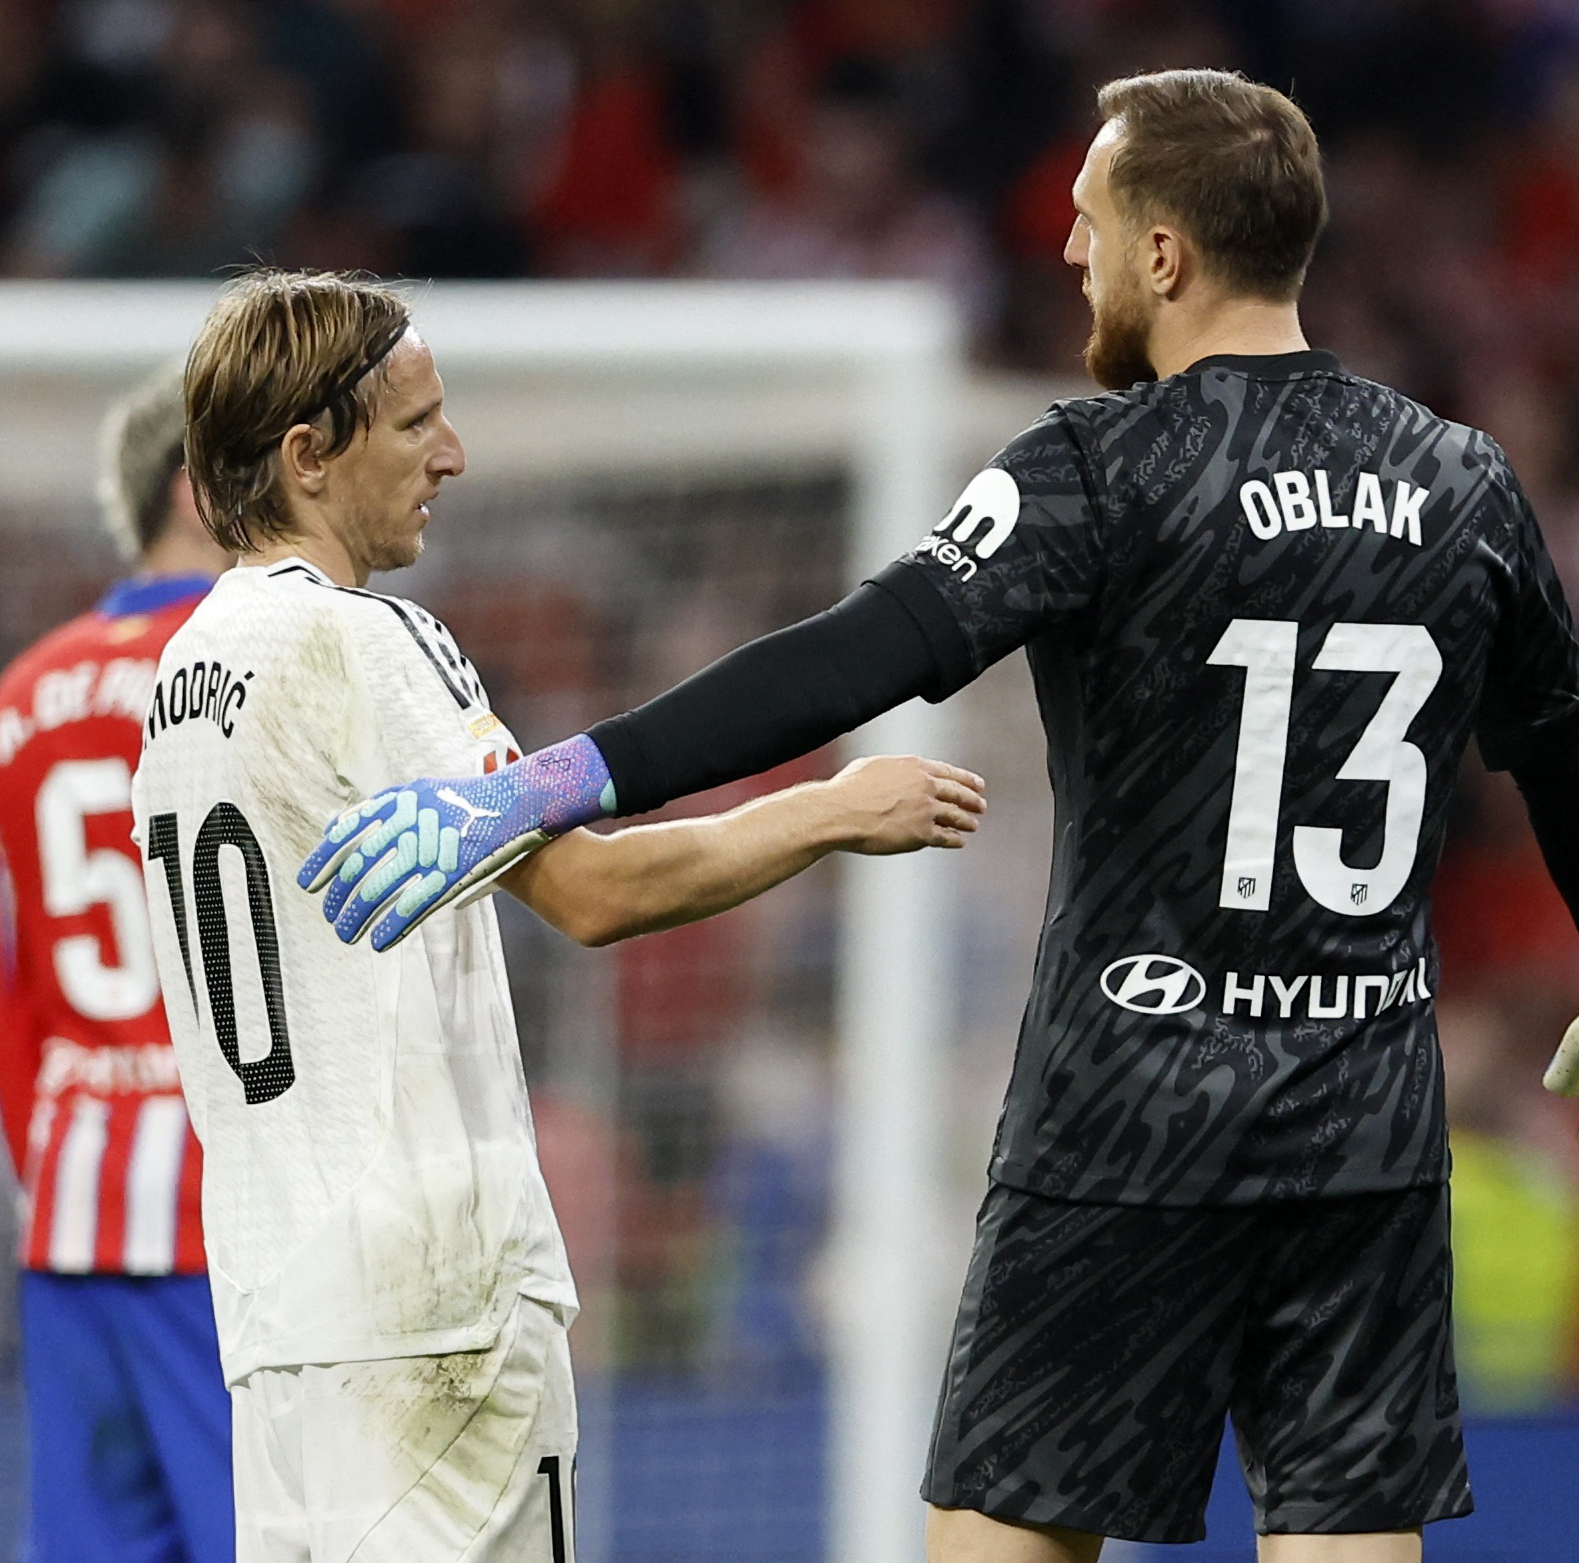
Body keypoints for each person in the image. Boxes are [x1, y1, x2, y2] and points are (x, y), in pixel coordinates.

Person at [306, 70, 1579, 1563]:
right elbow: (1577, 773)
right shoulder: (1463, 484)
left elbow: (855, 653)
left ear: (1165, 254)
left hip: (1125, 1123)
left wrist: (555, 777)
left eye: (1091, 218)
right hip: (1358, 1127)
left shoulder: (1104, 470)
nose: (1066, 252)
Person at [130, 269, 985, 1563]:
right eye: (414, 423)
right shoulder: (364, 643)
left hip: (277, 1310)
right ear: (309, 454)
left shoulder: (181, 678)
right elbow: (586, 889)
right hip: (437, 1310)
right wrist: (827, 809)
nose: (451, 455)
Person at [0, 365, 236, 1563]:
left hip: (73, 1210)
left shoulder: (14, 700)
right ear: (193, 485)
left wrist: (54, 1162)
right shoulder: (251, 666)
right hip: (226, 1220)